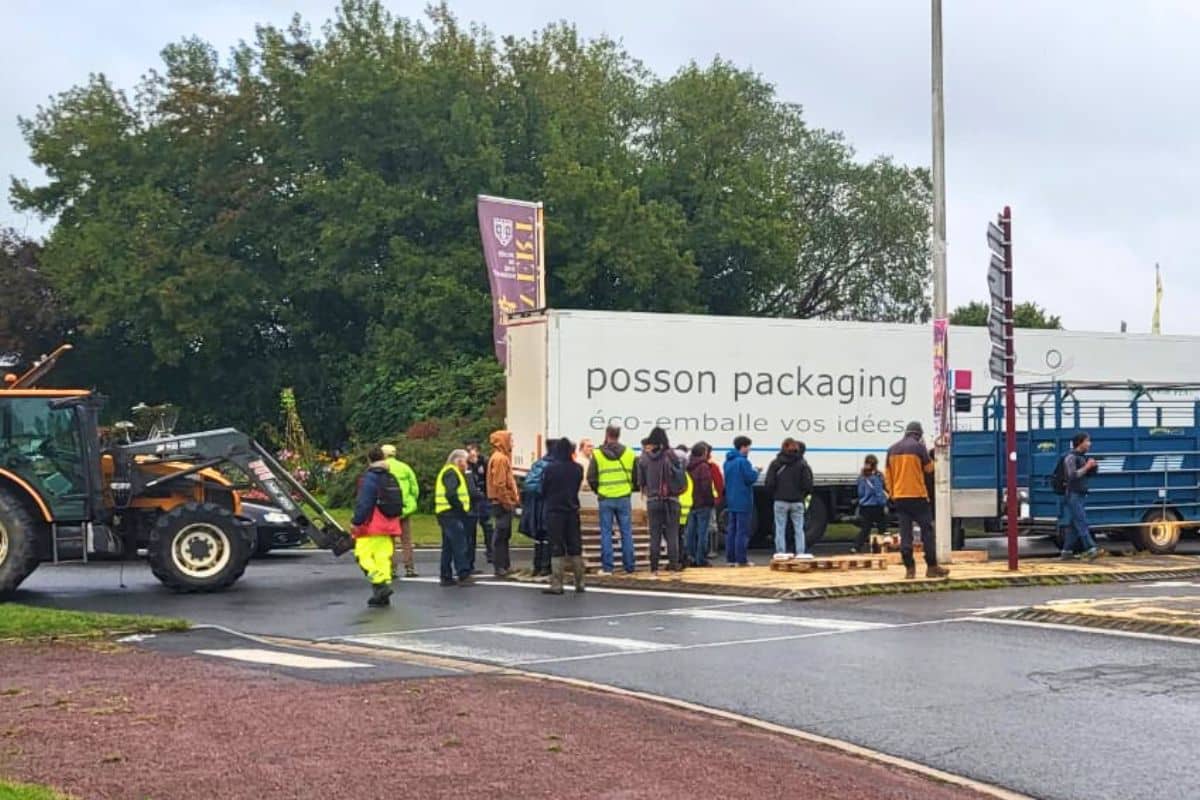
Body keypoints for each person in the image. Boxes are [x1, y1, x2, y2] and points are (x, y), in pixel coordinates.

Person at [884, 422, 950, 579]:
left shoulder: (892, 449)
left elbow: (887, 477)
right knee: (927, 532)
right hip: (918, 496)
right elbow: (929, 469)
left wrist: (893, 494)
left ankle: (910, 569)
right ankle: (932, 567)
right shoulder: (919, 448)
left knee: (905, 534)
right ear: (919, 434)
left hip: (900, 497)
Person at [350, 447, 403, 607]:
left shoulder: (370, 478)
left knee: (363, 556)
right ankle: (382, 594)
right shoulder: (390, 476)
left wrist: (356, 521)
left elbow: (365, 503)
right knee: (382, 557)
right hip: (389, 523)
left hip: (372, 525)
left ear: (369, 460)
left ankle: (380, 586)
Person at [586, 425, 638, 575]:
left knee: (606, 533)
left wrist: (599, 491)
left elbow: (591, 477)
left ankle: (608, 567)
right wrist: (629, 489)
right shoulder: (629, 453)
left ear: (607, 435)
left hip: (605, 498)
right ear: (619, 435)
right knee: (626, 532)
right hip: (623, 498)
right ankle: (629, 566)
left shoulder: (597, 454)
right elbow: (636, 477)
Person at [541, 437, 586, 594]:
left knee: (556, 546)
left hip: (555, 511)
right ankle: (580, 582)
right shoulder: (578, 469)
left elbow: (544, 489)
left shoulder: (550, 469)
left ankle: (557, 584)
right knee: (575, 546)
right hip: (572, 511)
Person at [637, 426, 682, 576]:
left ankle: (654, 570)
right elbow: (681, 473)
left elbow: (640, 482)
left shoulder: (644, 458)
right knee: (672, 535)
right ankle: (674, 568)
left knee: (654, 536)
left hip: (653, 500)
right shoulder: (672, 456)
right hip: (672, 500)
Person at [764, 438, 814, 556]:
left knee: (780, 528)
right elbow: (807, 484)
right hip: (797, 501)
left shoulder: (776, 463)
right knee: (799, 528)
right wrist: (802, 495)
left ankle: (781, 551)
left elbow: (770, 483)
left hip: (780, 500)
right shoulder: (802, 464)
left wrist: (775, 494)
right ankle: (800, 551)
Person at [1059, 432, 1101, 560]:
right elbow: (1072, 476)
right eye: (1087, 441)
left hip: (1080, 494)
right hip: (1073, 494)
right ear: (1080, 442)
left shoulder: (1082, 457)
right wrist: (1087, 467)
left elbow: (1085, 475)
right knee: (1081, 521)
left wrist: (1092, 468)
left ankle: (1066, 552)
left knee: (1073, 524)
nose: (1090, 444)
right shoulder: (1070, 457)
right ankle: (1091, 548)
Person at [435, 449, 474, 587]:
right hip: (451, 513)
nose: (467, 464)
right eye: (465, 461)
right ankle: (463, 574)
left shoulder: (448, 471)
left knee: (448, 546)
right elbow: (451, 493)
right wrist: (461, 509)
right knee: (460, 544)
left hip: (445, 513)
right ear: (458, 460)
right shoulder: (452, 472)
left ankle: (446, 576)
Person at [381, 443, 419, 578]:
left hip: (388, 509)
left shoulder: (382, 468)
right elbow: (415, 488)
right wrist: (410, 501)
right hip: (405, 507)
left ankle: (392, 568)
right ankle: (410, 568)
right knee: (406, 540)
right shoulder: (405, 467)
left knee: (390, 541)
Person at [486, 430, 520, 579]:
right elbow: (499, 484)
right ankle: (500, 566)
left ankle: (504, 565)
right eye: (510, 440)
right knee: (501, 534)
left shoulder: (501, 457)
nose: (512, 443)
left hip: (501, 501)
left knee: (505, 534)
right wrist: (507, 501)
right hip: (501, 503)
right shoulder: (500, 459)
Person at [723, 436, 759, 566]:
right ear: (743, 447)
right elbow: (750, 478)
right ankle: (741, 559)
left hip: (731, 500)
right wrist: (756, 472)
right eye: (748, 446)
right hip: (743, 500)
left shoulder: (728, 462)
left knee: (731, 530)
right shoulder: (743, 462)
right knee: (742, 531)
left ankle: (731, 559)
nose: (749, 449)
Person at [521, 442, 554, 576]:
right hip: (547, 503)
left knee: (539, 535)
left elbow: (528, 484)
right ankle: (546, 566)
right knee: (547, 535)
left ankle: (537, 566)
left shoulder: (538, 463)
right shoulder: (552, 465)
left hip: (535, 504)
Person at [684, 442, 717, 567]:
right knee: (703, 533)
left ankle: (691, 557)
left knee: (691, 532)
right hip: (703, 503)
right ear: (704, 453)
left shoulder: (688, 465)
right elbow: (706, 486)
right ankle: (701, 559)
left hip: (692, 503)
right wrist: (711, 501)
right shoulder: (703, 467)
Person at [464, 441, 494, 574]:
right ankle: (469, 563)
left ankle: (491, 552)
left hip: (484, 498)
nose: (471, 453)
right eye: (469, 450)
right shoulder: (465, 464)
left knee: (488, 526)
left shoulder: (484, 462)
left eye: (473, 450)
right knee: (471, 532)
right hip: (471, 501)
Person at [853, 454, 888, 553]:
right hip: (876, 506)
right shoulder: (877, 477)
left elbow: (860, 493)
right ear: (876, 464)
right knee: (882, 527)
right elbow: (878, 492)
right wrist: (884, 503)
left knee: (865, 529)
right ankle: (881, 547)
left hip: (864, 506)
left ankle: (856, 546)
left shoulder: (861, 477)